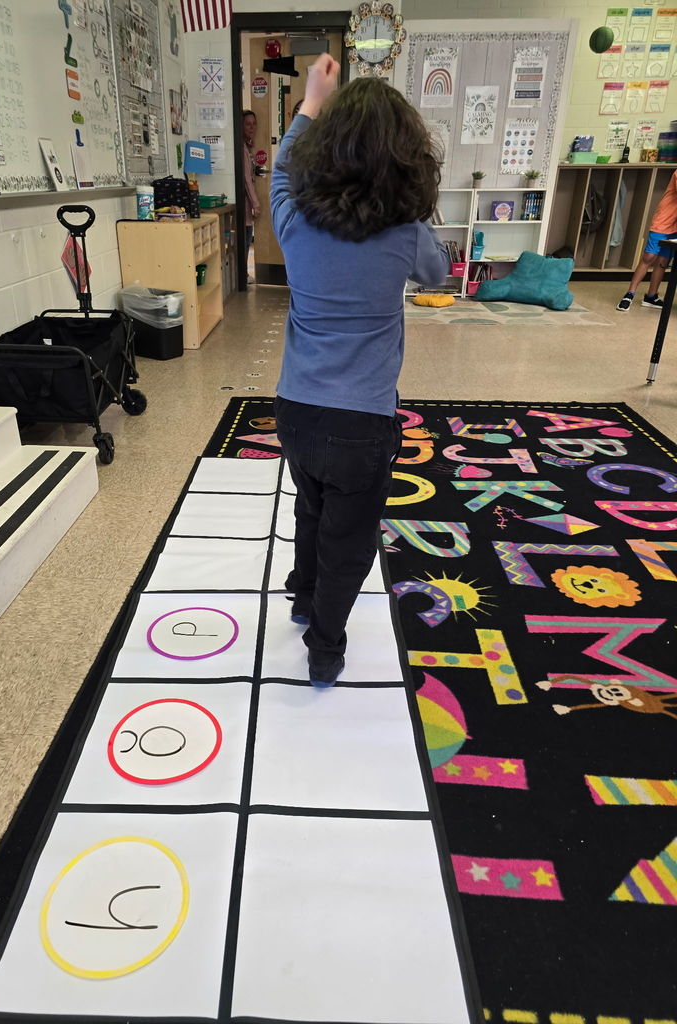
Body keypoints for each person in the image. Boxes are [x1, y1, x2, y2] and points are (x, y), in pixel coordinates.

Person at [271, 54, 448, 688]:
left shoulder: (293, 222)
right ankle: (325, 645)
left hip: (295, 410)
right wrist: (415, 213)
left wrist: (310, 103)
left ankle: (300, 593)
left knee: (310, 505)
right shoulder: (407, 231)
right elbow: (440, 276)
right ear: (405, 158)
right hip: (364, 421)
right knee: (349, 537)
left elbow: (280, 173)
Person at [617, 170, 677, 310]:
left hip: (675, 227)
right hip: (663, 222)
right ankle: (629, 294)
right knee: (649, 257)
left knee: (663, 261)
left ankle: (651, 296)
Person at [242, 108, 260, 282]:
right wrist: (256, 204)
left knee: (247, 236)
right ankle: (243, 274)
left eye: (254, 124)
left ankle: (243, 273)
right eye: (248, 124)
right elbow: (247, 179)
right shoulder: (242, 149)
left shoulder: (248, 147)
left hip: (247, 203)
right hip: (245, 203)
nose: (251, 127)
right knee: (245, 239)